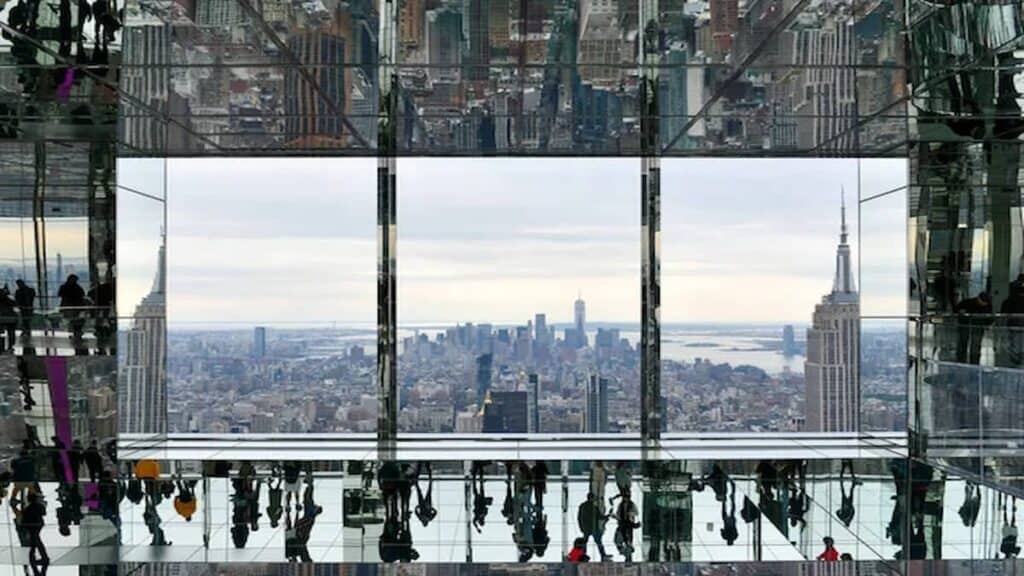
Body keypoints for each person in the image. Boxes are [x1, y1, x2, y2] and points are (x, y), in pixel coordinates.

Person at [956, 291, 993, 364]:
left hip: (978, 327)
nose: (983, 304)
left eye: (985, 302)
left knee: (975, 345)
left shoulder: (988, 305)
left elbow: (989, 317)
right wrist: (960, 312)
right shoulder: (967, 302)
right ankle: (961, 360)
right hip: (965, 325)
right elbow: (957, 309)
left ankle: (974, 361)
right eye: (982, 301)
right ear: (978, 298)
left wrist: (988, 324)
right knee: (963, 342)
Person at [577, 492, 610, 561]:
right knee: (598, 541)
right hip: (592, 527)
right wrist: (607, 516)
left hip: (587, 527)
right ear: (592, 498)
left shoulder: (583, 506)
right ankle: (603, 555)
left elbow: (579, 518)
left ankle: (582, 555)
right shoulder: (593, 507)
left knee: (585, 542)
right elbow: (600, 516)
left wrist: (581, 527)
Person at [21, 491, 49, 572]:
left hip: (32, 526)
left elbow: (24, 520)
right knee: (36, 540)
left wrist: (24, 528)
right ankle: (36, 556)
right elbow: (44, 513)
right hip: (38, 525)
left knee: (36, 541)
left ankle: (42, 557)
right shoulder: (39, 506)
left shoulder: (27, 509)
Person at [58, 275, 87, 346]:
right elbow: (82, 295)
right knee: (76, 319)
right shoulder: (78, 288)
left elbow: (60, 294)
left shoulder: (64, 287)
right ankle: (76, 331)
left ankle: (75, 331)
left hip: (68, 306)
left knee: (73, 319)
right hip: (76, 306)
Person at [613, 493, 640, 562]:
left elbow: (636, 512)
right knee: (619, 539)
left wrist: (630, 514)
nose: (625, 499)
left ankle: (628, 554)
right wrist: (616, 517)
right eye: (624, 497)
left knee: (628, 540)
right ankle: (627, 552)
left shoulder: (632, 504)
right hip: (622, 523)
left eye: (626, 497)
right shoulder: (621, 505)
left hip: (628, 524)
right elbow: (618, 513)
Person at [0, 285, 17, 351]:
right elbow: (15, 304)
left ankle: (2, 346)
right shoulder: (10, 300)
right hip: (10, 318)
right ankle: (11, 345)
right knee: (11, 332)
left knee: (2, 332)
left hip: (2, 318)